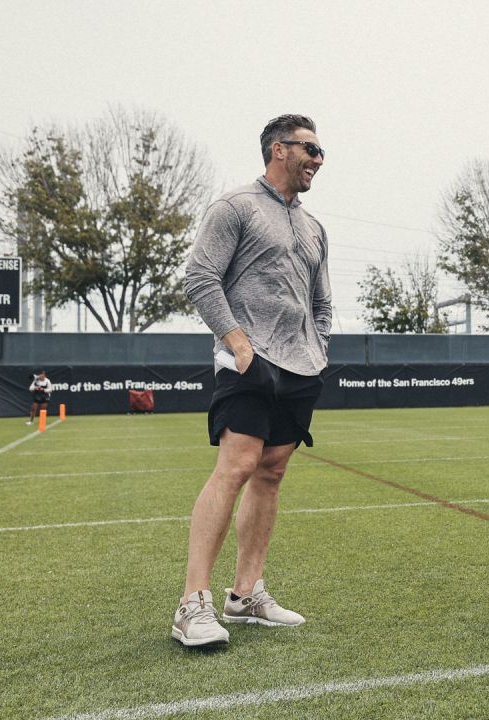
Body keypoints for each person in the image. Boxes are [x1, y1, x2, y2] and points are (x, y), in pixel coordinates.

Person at [174, 114, 332, 647]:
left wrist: (319, 350)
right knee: (237, 465)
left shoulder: (314, 227)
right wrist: (240, 346)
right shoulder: (235, 207)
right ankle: (192, 604)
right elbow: (199, 277)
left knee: (272, 472)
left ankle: (244, 596)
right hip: (249, 359)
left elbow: (322, 302)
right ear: (277, 149)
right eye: (310, 149)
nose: (318, 159)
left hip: (300, 365)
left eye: (321, 151)